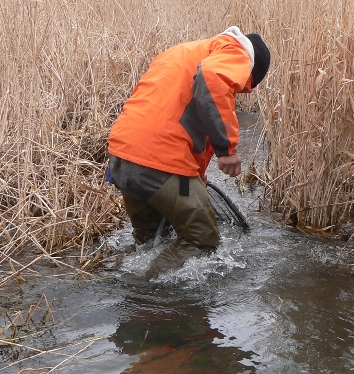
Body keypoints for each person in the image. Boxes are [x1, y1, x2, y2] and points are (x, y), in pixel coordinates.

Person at [107, 26, 271, 278]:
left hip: (122, 156)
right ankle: (143, 287)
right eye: (244, 86)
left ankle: (136, 302)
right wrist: (227, 149)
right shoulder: (236, 52)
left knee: (152, 241)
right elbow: (212, 79)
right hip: (157, 161)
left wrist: (195, 172)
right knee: (201, 239)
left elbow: (175, 113)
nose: (240, 90)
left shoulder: (183, 52)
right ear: (251, 67)